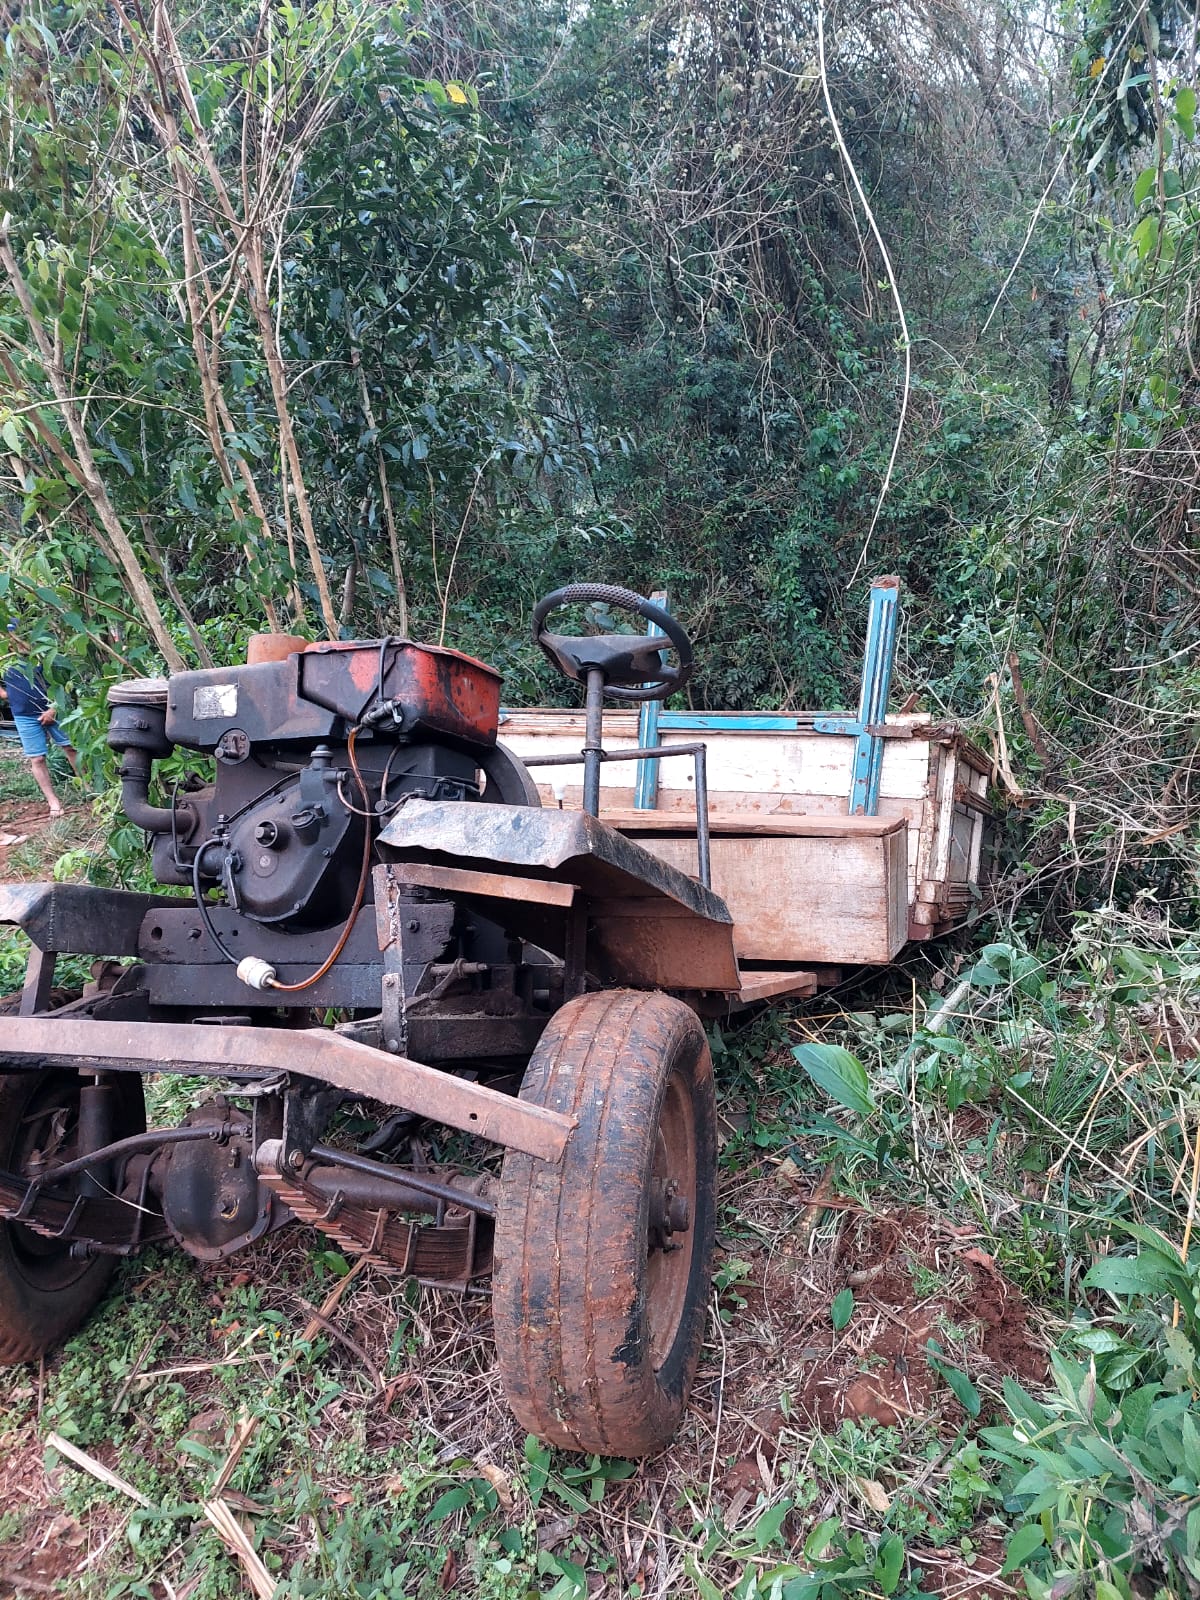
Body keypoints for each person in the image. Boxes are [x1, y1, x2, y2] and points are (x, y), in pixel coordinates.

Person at [0, 622, 80, 818]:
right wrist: (6, 695)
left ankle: (88, 787)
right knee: (37, 758)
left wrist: (54, 708)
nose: (14, 641)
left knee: (70, 747)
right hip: (23, 715)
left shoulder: (44, 654)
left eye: (17, 636)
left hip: (55, 710)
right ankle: (53, 801)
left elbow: (64, 683)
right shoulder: (5, 660)